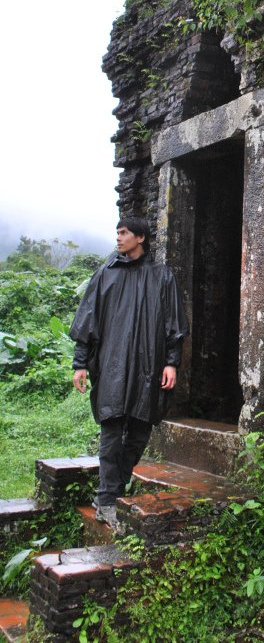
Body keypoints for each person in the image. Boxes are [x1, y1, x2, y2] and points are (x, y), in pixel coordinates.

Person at [70, 215, 189, 528]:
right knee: (111, 430)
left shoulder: (162, 276)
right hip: (112, 366)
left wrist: (171, 362)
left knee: (139, 431)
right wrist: (80, 363)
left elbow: (173, 324)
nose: (119, 238)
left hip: (149, 368)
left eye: (124, 233)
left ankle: (115, 487)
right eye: (118, 232)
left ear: (141, 237)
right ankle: (107, 498)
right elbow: (88, 321)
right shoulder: (105, 275)